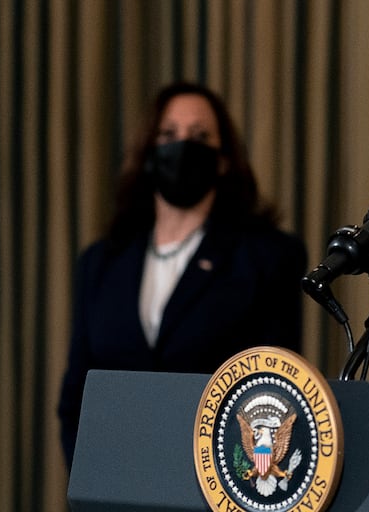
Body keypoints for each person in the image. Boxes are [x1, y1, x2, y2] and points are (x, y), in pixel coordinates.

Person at [57, 81, 305, 470]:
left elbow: (273, 391)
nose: (183, 145)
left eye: (200, 135)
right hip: (117, 481)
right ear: (149, 153)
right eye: (169, 134)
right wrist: (92, 480)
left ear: (223, 158)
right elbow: (76, 399)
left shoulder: (266, 256)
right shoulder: (101, 263)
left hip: (219, 483)